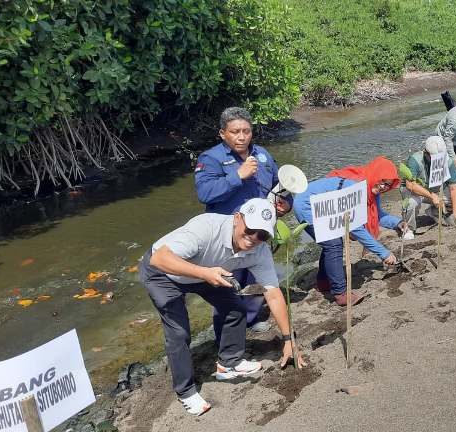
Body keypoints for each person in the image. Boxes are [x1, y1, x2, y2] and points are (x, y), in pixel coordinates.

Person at [140, 198, 305, 416]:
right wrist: (205, 273)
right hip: (164, 272)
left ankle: (229, 363)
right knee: (179, 332)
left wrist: (288, 340)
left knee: (235, 308)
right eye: (251, 229)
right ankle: (186, 391)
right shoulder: (206, 228)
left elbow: (273, 294)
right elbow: (159, 258)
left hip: (206, 271)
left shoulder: (260, 251)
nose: (254, 238)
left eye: (262, 234)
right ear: (238, 218)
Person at [194, 107, 290, 335]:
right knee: (228, 287)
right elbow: (205, 193)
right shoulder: (211, 159)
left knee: (257, 278)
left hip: (259, 233)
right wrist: (237, 175)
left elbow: (281, 186)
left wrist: (286, 204)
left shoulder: (263, 155)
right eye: (235, 131)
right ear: (222, 133)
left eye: (246, 131)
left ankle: (251, 318)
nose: (241, 136)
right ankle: (225, 339)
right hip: (229, 236)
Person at [293, 156, 403, 306]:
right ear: (375, 174)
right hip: (308, 206)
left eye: (388, 185)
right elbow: (356, 228)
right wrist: (384, 253)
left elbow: (378, 215)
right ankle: (341, 294)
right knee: (333, 243)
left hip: (324, 207)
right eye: (382, 181)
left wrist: (398, 222)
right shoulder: (356, 187)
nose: (384, 186)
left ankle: (324, 282)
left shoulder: (371, 190)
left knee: (332, 242)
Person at [401, 136, 456, 232]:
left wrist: (455, 215)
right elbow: (410, 185)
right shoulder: (415, 160)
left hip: (437, 191)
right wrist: (432, 196)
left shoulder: (448, 161)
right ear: (426, 153)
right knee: (411, 203)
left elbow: (454, 187)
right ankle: (409, 229)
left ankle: (434, 212)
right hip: (417, 192)